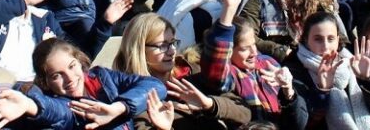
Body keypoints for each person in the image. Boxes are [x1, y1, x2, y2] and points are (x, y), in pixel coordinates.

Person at [112, 13, 252, 130]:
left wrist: (210, 104)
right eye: (162, 46)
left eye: (172, 42)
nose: (172, 50)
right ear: (139, 50)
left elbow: (245, 113)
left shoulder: (192, 71)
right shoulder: (134, 98)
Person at [32, 37, 166, 130]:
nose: (70, 78)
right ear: (45, 82)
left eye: (72, 66)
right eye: (56, 76)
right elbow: (49, 109)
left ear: (79, 61)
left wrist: (119, 107)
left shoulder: (102, 77)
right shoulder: (57, 106)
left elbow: (156, 86)